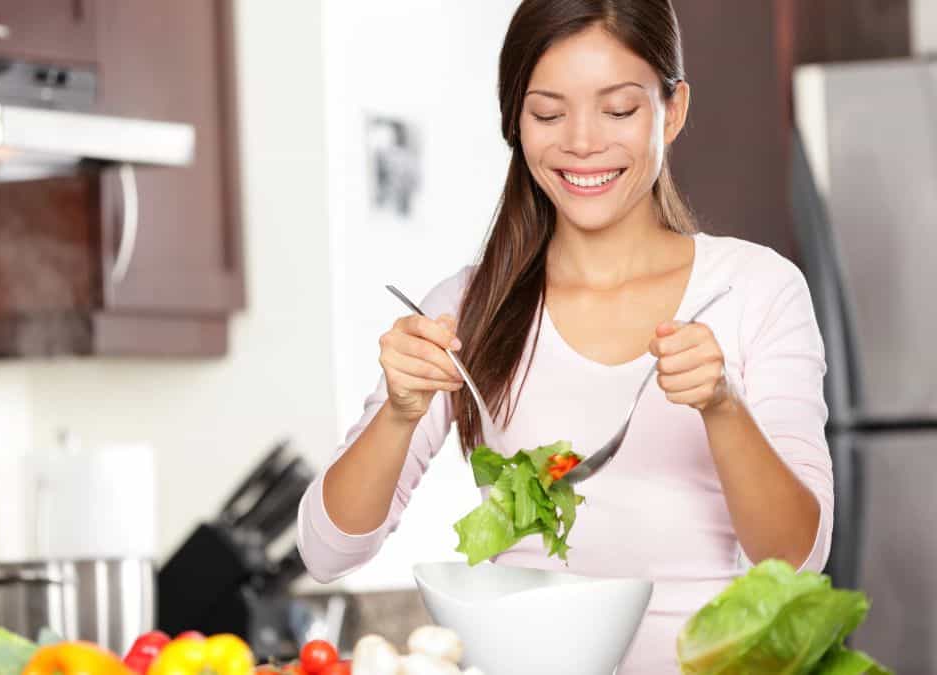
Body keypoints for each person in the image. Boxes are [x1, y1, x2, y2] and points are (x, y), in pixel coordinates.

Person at [296, 1, 833, 672]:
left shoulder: (755, 289)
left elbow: (798, 557)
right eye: (549, 113)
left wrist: (723, 406)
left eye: (618, 111)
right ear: (514, 120)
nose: (582, 142)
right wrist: (399, 415)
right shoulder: (468, 308)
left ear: (673, 109)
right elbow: (326, 552)